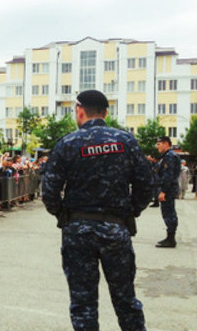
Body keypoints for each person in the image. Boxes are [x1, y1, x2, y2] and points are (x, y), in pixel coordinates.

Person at [42, 90, 152, 331]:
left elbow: (49, 191)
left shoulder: (67, 143)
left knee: (83, 304)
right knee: (126, 300)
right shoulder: (126, 141)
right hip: (116, 229)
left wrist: (64, 216)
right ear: (106, 112)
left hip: (78, 232)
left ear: (79, 110)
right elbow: (146, 185)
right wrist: (130, 211)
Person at [154, 136, 181, 248]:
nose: (157, 146)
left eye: (159, 144)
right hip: (168, 189)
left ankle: (171, 239)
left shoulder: (169, 156)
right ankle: (170, 237)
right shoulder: (167, 156)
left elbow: (168, 176)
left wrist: (163, 191)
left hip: (168, 190)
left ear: (166, 144)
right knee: (168, 212)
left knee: (169, 213)